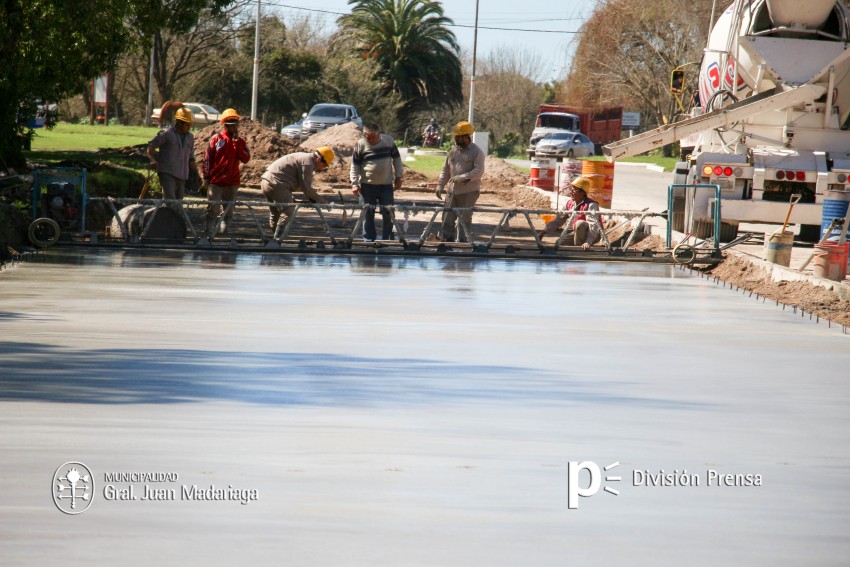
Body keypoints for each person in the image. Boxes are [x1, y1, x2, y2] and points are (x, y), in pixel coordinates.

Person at [260, 147, 333, 241]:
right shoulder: (308, 163)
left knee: (275, 212)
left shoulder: (304, 158)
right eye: (324, 165)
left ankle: (274, 240)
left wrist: (312, 197)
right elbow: (306, 187)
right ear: (319, 159)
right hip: (277, 183)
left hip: (266, 181)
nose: (322, 168)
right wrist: (320, 201)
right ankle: (277, 240)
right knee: (288, 211)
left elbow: (302, 185)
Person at [350, 122, 404, 241]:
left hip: (386, 185)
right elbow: (355, 166)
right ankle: (368, 239)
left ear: (379, 134)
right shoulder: (360, 145)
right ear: (364, 135)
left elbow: (397, 159)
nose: (371, 140)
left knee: (388, 213)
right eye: (368, 137)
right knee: (367, 213)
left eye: (373, 137)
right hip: (367, 186)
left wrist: (399, 176)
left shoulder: (388, 141)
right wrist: (354, 184)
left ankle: (388, 239)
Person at [434, 120, 485, 242]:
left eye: (458, 137)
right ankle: (446, 242)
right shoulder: (453, 151)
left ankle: (463, 243)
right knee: (447, 217)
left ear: (466, 137)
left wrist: (463, 177)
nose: (456, 139)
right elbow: (446, 170)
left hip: (469, 192)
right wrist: (440, 185)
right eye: (456, 136)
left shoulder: (476, 151)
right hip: (452, 191)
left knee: (464, 219)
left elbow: (479, 170)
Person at [202, 108, 250, 236]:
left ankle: (225, 232)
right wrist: (206, 177)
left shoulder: (241, 142)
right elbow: (207, 158)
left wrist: (237, 144)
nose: (234, 127)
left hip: (232, 182)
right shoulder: (216, 139)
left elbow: (245, 159)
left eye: (236, 124)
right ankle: (208, 232)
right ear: (225, 125)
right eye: (231, 125)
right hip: (216, 181)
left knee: (229, 210)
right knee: (213, 207)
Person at [146, 107, 199, 205]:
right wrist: (153, 160)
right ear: (179, 122)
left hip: (182, 176)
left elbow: (190, 158)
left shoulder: (190, 138)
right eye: (187, 124)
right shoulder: (166, 134)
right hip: (167, 173)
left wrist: (196, 174)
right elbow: (150, 148)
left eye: (190, 124)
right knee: (170, 202)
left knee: (179, 205)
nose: (189, 127)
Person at [536, 176, 603, 249]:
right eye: (571, 189)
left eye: (574, 190)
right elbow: (558, 220)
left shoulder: (591, 205)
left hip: (593, 234)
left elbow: (593, 225)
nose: (571, 192)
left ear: (582, 193)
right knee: (559, 243)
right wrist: (543, 232)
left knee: (580, 223)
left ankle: (580, 250)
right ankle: (579, 247)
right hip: (578, 232)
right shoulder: (570, 203)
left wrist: (588, 241)